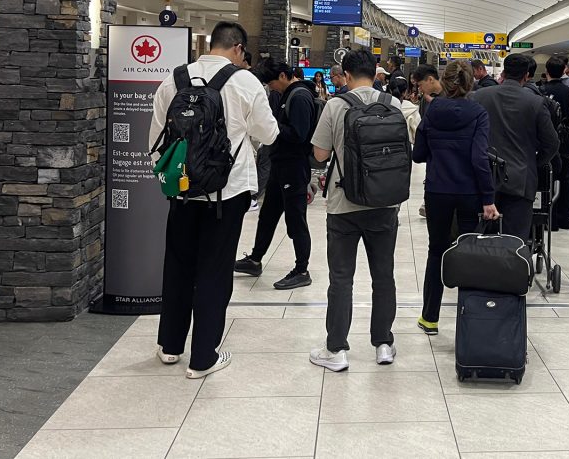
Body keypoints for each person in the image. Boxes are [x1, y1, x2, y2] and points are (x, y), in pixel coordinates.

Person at [149, 22, 278, 378]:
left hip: (182, 190)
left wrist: (178, 176)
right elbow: (269, 133)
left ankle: (170, 347)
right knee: (214, 269)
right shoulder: (244, 81)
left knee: (178, 265)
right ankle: (203, 357)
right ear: (238, 48)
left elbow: (156, 139)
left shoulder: (174, 79)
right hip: (226, 192)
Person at [308, 49, 403, 372]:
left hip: (343, 204)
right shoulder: (394, 104)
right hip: (384, 202)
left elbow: (320, 155)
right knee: (384, 276)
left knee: (341, 278)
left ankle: (336, 349)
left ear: (346, 76)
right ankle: (383, 344)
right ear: (375, 73)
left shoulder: (336, 105)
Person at [412, 61, 498, 335]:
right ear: (470, 82)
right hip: (469, 193)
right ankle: (468, 318)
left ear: (444, 82)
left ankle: (430, 318)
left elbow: (418, 154)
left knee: (436, 250)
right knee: (469, 252)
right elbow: (479, 158)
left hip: (437, 191)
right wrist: (488, 198)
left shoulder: (432, 110)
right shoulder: (478, 113)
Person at [234, 59, 317, 290]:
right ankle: (255, 259)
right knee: (268, 215)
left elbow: (299, 134)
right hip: (280, 165)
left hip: (294, 167)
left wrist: (272, 126)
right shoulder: (287, 94)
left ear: (282, 76)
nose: (271, 88)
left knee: (295, 220)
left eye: (271, 83)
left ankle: (302, 270)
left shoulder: (299, 96)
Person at [473, 53, 559, 241]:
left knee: (480, 239)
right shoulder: (535, 102)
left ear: (503, 72)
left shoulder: (479, 96)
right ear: (527, 75)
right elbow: (552, 143)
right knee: (515, 240)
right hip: (521, 179)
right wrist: (534, 162)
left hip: (484, 176)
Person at [542, 56, 569, 230]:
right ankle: (564, 217)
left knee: (547, 177)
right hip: (564, 139)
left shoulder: (541, 90)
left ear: (546, 71)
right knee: (564, 176)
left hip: (545, 140)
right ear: (564, 70)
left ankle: (548, 218)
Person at [411, 63, 442, 218]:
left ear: (430, 79)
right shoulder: (426, 99)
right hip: (433, 154)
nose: (420, 89)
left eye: (420, 85)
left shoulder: (451, 96)